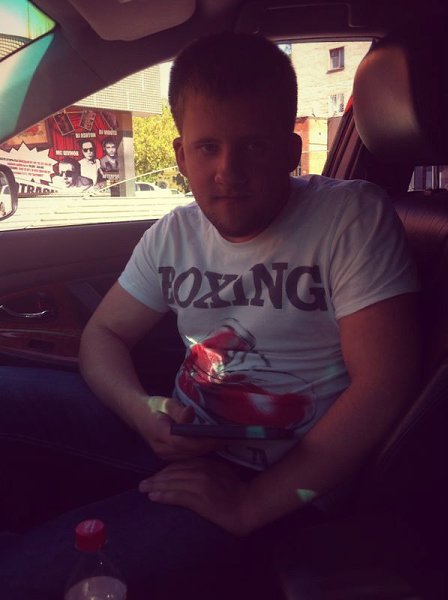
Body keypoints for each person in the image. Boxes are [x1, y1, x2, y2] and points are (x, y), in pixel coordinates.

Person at [0, 32, 420, 599]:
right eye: (208, 148)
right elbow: (103, 334)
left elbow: (383, 385)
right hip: (180, 436)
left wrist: (251, 504)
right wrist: (143, 411)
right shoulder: (174, 234)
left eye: (254, 146)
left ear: (290, 150)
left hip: (282, 482)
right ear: (180, 155)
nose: (229, 170)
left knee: (24, 582)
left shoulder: (349, 217)